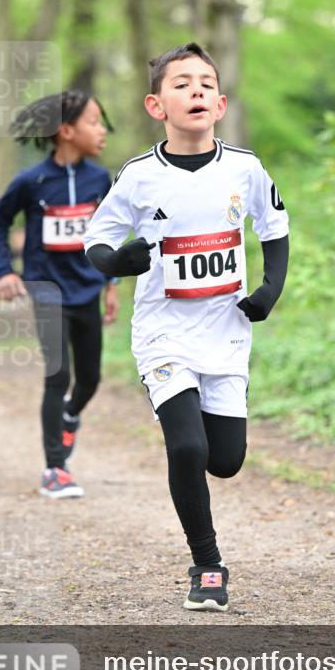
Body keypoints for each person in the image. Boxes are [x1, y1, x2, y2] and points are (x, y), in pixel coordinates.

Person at [84, 42, 289, 612]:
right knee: (186, 446)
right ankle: (207, 565)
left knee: (224, 460)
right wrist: (116, 261)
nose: (195, 90)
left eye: (205, 83)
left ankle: (199, 429)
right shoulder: (139, 176)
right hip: (163, 333)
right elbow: (97, 238)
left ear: (220, 103)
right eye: (181, 83)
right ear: (156, 105)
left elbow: (273, 227)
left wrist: (270, 289)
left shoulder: (245, 168)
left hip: (225, 333)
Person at [0, 90, 120, 499]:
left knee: (90, 378)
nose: (102, 131)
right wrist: (6, 271)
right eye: (94, 122)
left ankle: (68, 416)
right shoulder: (31, 181)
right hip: (46, 289)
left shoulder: (101, 180)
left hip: (88, 288)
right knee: (57, 374)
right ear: (66, 131)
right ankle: (55, 469)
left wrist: (112, 283)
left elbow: (110, 232)